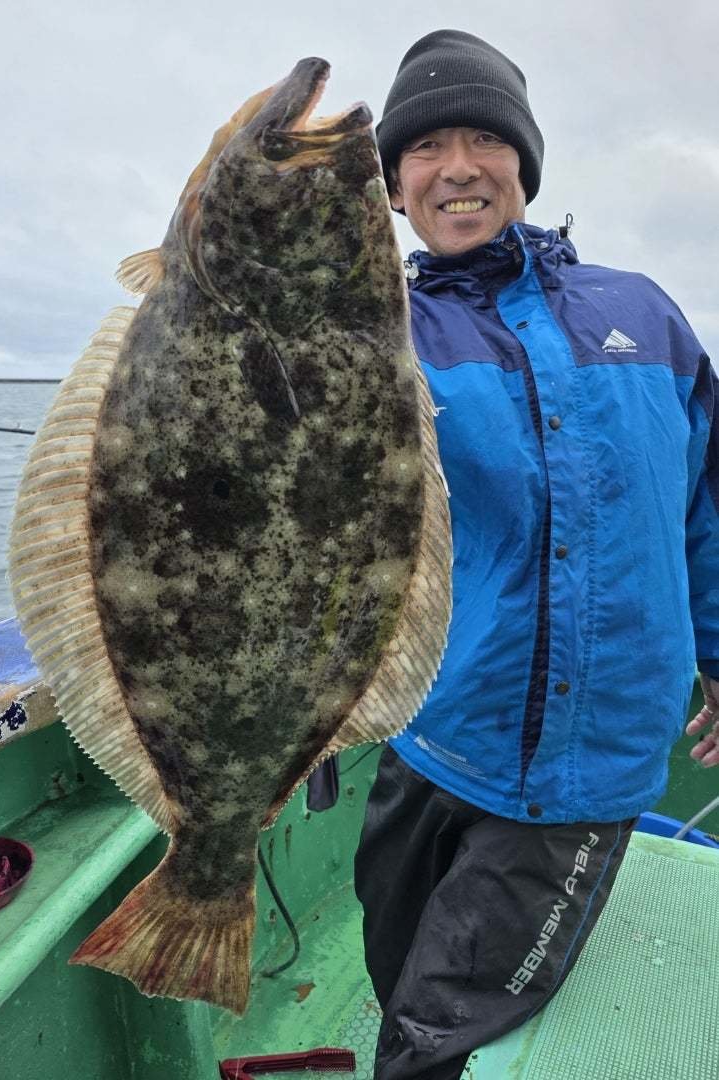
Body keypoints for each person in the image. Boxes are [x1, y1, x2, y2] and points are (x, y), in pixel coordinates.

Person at [353, 29, 719, 1080]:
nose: (456, 167)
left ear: (525, 163)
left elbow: (705, 503)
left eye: (485, 140)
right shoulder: (373, 333)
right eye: (424, 148)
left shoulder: (643, 313)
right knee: (393, 964)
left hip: (581, 765)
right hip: (434, 730)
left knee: (433, 1032)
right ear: (392, 189)